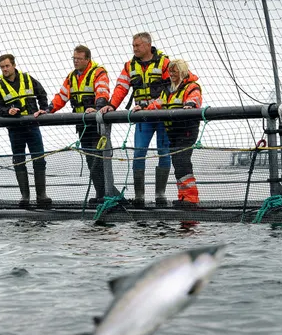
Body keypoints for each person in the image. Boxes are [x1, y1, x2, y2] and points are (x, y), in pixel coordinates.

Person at [99, 32, 172, 207]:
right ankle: (139, 196)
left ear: (148, 45)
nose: (134, 48)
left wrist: (152, 106)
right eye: (133, 45)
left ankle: (160, 195)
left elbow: (170, 89)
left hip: (162, 115)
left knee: (165, 152)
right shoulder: (129, 66)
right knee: (139, 153)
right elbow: (121, 87)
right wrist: (112, 106)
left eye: (137, 45)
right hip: (142, 117)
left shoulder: (164, 63)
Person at [33, 45, 111, 206]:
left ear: (87, 59)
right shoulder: (71, 77)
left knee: (99, 158)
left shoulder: (99, 73)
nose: (75, 61)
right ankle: (99, 193)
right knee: (90, 160)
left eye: (79, 59)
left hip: (97, 125)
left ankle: (105, 194)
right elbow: (61, 97)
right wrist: (47, 110)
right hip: (82, 126)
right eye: (74, 58)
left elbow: (102, 93)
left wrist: (96, 109)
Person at [0, 53, 52, 209]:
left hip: (32, 126)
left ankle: (41, 196)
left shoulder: (28, 79)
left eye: (7, 66)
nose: (5, 69)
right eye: (2, 67)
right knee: (19, 161)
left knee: (39, 159)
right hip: (15, 129)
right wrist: (7, 111)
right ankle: (25, 197)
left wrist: (44, 109)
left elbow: (42, 94)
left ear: (14, 65)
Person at [143, 59, 202, 206]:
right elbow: (158, 103)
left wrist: (190, 105)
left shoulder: (191, 87)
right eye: (170, 71)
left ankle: (191, 198)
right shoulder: (168, 89)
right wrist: (144, 108)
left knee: (182, 161)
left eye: (174, 71)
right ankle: (183, 197)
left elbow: (194, 98)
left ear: (182, 71)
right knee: (177, 162)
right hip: (173, 133)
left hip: (186, 131)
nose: (171, 74)